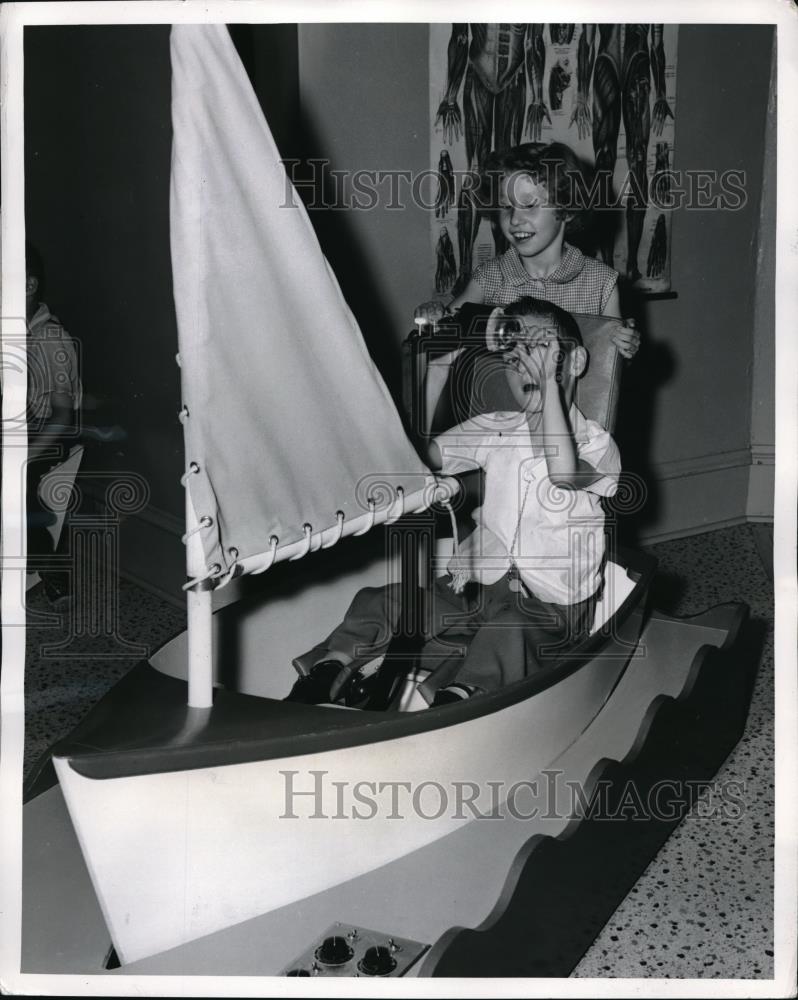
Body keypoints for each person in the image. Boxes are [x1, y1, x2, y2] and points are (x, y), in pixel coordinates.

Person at [287, 296, 620, 708]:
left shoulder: (599, 445)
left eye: (539, 351)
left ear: (574, 362)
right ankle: (327, 674)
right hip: (480, 591)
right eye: (515, 360)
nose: (526, 367)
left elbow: (563, 472)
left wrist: (550, 384)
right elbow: (413, 458)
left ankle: (458, 702)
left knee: (508, 631)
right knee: (387, 600)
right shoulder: (497, 428)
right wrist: (439, 371)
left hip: (548, 608)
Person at [416, 140, 640, 360]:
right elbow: (446, 335)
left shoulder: (601, 283)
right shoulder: (490, 278)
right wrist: (434, 317)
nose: (514, 219)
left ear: (567, 209)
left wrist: (626, 345)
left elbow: (610, 370)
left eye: (530, 205)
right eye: (506, 207)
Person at [25, 242, 82, 607]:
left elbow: (63, 417)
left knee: (14, 482)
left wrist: (23, 456)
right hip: (22, 423)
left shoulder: (52, 340)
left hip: (55, 430)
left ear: (29, 286)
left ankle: (52, 565)